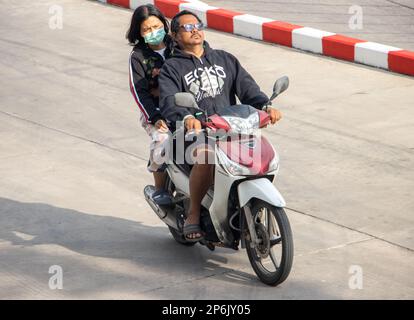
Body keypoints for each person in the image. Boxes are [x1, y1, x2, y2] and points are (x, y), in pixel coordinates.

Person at [159, 10, 282, 241]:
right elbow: (168, 100)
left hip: (232, 130)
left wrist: (265, 106)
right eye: (187, 27)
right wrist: (187, 118)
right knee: (206, 156)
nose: (194, 30)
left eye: (197, 25)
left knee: (259, 154)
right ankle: (194, 214)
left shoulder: (225, 59)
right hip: (194, 134)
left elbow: (248, 89)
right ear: (175, 36)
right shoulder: (172, 67)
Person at [126, 4, 173, 205]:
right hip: (156, 111)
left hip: (188, 108)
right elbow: (139, 91)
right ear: (139, 32)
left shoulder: (177, 44)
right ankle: (160, 189)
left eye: (156, 26)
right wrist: (155, 117)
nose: (154, 32)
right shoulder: (138, 57)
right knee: (162, 142)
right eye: (147, 29)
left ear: (164, 23)